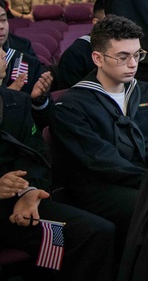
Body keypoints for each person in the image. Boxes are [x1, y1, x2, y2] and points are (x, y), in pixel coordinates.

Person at [49, 15, 148, 255]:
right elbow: (99, 161)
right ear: (98, 58)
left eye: (137, 55)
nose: (133, 64)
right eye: (123, 57)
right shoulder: (71, 105)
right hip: (96, 187)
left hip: (145, 179)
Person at [0, 90, 116, 280]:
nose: (3, 58)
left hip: (18, 206)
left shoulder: (14, 101)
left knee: (92, 232)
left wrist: (29, 191)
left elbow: (35, 155)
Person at [55, 0, 106, 90]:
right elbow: (71, 96)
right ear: (96, 23)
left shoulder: (129, 48)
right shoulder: (75, 55)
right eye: (110, 23)